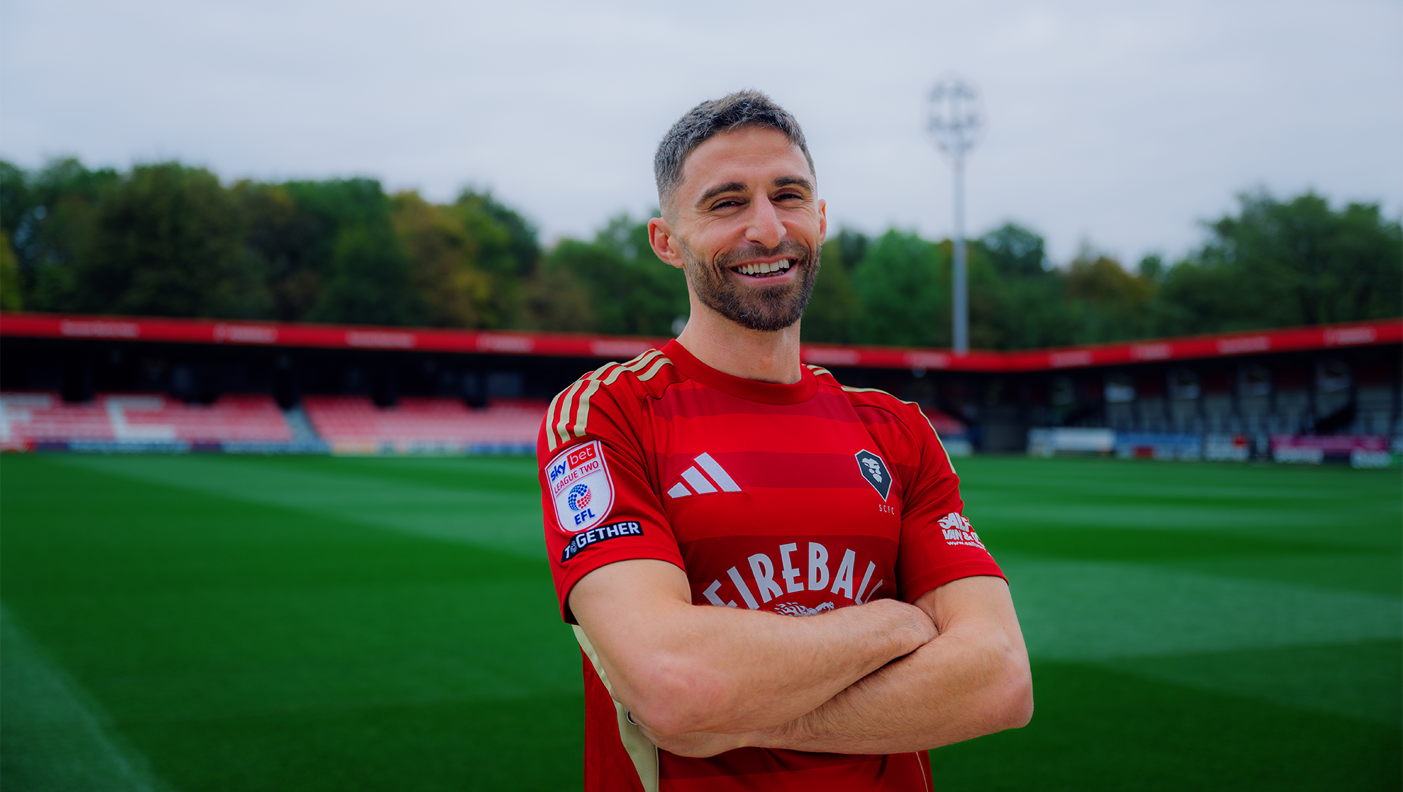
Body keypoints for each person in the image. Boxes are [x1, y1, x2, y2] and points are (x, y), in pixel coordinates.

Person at [537, 90, 1032, 792]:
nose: (767, 230)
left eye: (788, 196)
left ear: (820, 219)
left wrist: (737, 721)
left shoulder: (896, 429)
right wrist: (890, 627)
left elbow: (1001, 680)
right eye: (726, 203)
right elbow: (673, 683)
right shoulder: (609, 414)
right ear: (666, 241)